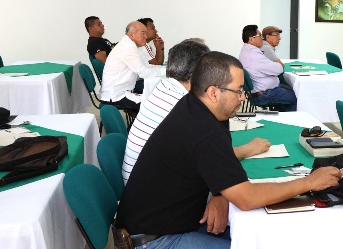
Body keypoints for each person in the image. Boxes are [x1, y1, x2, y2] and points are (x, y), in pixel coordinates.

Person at [114, 52, 340, 249]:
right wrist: (309, 182)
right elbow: (246, 198)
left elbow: (214, 163)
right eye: (238, 90)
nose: (243, 96)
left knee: (244, 239)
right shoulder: (202, 130)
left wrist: (220, 193)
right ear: (213, 92)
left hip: (157, 230)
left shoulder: (199, 110)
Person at [122, 40, 270, 183]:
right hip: (156, 186)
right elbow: (213, 157)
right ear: (199, 74)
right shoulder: (183, 106)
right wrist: (248, 149)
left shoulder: (165, 86)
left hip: (144, 179)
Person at [99, 21, 166, 110]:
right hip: (116, 96)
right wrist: (167, 71)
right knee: (158, 104)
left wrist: (166, 69)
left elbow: (146, 66)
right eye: (143, 33)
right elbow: (143, 73)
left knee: (158, 98)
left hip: (121, 92)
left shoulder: (130, 45)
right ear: (132, 35)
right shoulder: (128, 47)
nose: (146, 37)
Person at [238, 25, 296, 111]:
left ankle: (279, 114)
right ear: (251, 39)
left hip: (260, 92)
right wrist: (277, 65)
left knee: (290, 90)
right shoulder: (254, 55)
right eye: (259, 35)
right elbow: (279, 69)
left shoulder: (246, 51)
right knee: (298, 97)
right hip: (265, 94)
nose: (262, 38)